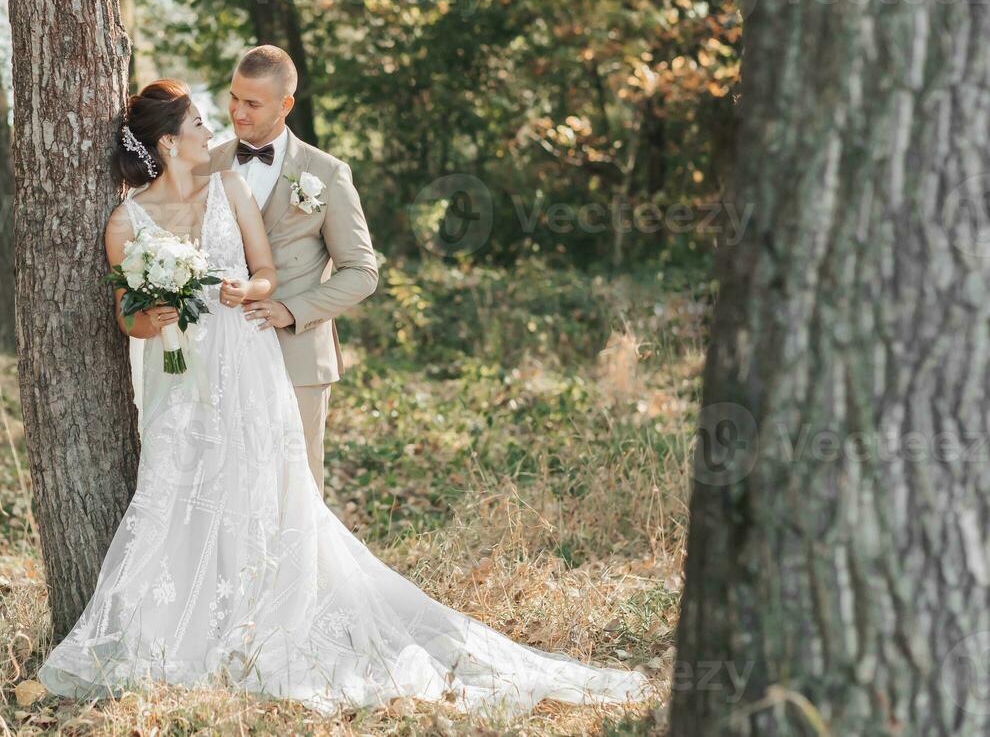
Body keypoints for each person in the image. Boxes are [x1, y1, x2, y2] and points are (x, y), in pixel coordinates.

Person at [36, 78, 651, 716]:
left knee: (261, 485)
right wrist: (154, 316)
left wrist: (253, 292)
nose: (212, 132)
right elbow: (124, 318)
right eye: (197, 125)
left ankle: (260, 618)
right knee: (179, 484)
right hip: (180, 375)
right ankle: (176, 630)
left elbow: (266, 268)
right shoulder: (125, 219)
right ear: (168, 143)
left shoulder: (230, 188)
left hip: (247, 362)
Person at [207, 45, 378, 495]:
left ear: (285, 106)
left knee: (295, 490)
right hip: (219, 355)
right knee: (228, 487)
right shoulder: (206, 165)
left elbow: (362, 270)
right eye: (234, 98)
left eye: (252, 103)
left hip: (298, 358)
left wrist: (291, 309)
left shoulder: (327, 173)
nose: (237, 113)